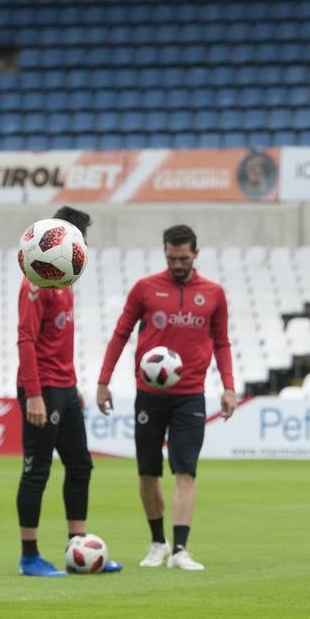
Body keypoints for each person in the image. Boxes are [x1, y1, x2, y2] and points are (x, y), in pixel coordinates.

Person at [95, 224, 237, 571]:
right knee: (147, 473)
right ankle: (158, 542)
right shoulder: (145, 288)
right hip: (149, 394)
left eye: (183, 258)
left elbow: (221, 341)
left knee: (185, 471)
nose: (177, 264)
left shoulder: (214, 293)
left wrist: (229, 386)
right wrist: (103, 381)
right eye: (171, 257)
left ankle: (181, 550)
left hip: (190, 396)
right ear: (164, 252)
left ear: (196, 254)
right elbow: (120, 334)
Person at [15, 206, 121, 577]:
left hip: (64, 387)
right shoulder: (35, 284)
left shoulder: (66, 282)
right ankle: (29, 557)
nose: (86, 246)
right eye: (83, 239)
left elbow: (59, 341)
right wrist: (34, 394)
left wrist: (72, 385)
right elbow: (26, 340)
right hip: (41, 389)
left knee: (80, 465)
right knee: (37, 471)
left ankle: (78, 546)